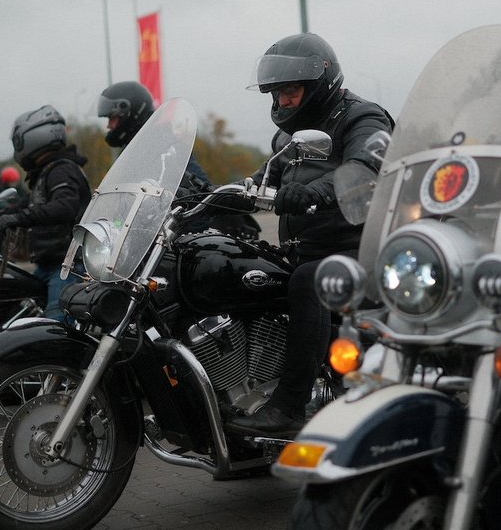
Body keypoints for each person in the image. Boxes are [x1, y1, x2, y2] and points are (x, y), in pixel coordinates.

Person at [226, 33, 394, 438]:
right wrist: (215, 198)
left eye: (291, 91)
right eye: (277, 93)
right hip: (307, 251)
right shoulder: (289, 136)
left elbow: (365, 170)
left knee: (308, 280)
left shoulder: (363, 118)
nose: (282, 101)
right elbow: (265, 181)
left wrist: (315, 193)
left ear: (321, 83)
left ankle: (288, 405)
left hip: (362, 254)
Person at [97, 80, 260, 238]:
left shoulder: (164, 147)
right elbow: (125, 204)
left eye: (112, 118)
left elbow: (196, 197)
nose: (109, 126)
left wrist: (186, 240)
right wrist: (115, 227)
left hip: (174, 241)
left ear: (129, 113)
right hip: (145, 239)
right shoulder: (136, 150)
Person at [0, 105, 91, 321]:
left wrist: (17, 218)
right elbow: (28, 204)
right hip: (49, 264)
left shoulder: (61, 170)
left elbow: (64, 207)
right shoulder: (47, 171)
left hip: (66, 266)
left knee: (56, 327)